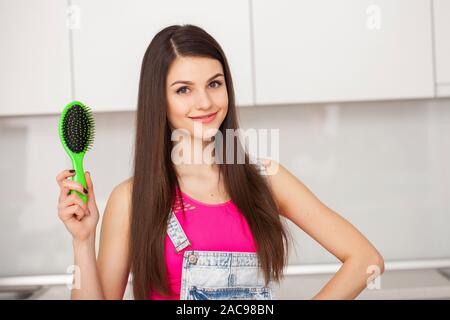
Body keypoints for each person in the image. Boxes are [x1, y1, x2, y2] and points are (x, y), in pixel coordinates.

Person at [55, 24, 384, 300]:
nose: (205, 102)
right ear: (160, 101)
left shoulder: (267, 179)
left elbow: (365, 259)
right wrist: (82, 241)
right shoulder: (131, 198)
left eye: (214, 83)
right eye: (184, 89)